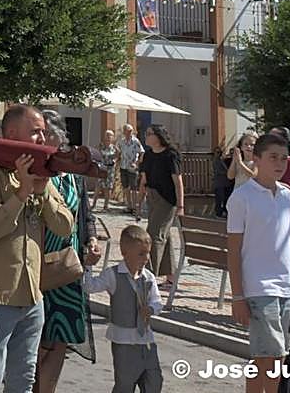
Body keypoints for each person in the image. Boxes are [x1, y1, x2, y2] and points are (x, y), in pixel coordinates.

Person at [0, 104, 74, 393]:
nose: (43, 140)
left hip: (31, 296)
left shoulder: (39, 176)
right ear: (12, 133)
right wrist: (21, 193)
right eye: (36, 132)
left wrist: (42, 189)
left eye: (44, 133)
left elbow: (65, 226)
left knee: (22, 382)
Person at [35, 111, 101, 393]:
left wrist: (93, 240)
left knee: (60, 336)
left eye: (46, 132)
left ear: (59, 137)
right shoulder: (33, 171)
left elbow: (85, 214)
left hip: (68, 268)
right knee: (36, 337)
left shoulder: (73, 176)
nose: (41, 137)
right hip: (37, 267)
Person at [226, 132, 290, 393]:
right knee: (271, 356)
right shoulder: (242, 197)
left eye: (284, 158)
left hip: (286, 287)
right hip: (259, 287)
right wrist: (237, 296)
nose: (279, 163)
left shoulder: (287, 195)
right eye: (273, 157)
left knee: (273, 355)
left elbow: (287, 240)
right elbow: (233, 250)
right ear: (256, 158)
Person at [80, 225, 164, 393]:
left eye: (148, 253)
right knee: (125, 383)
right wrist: (88, 267)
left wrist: (152, 309)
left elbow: (157, 301)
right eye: (141, 254)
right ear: (125, 253)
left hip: (146, 340)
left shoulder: (148, 277)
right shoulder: (113, 274)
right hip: (123, 340)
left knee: (154, 381)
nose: (146, 258)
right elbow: (89, 286)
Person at [137, 124, 183, 284]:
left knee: (154, 235)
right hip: (152, 198)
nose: (146, 136)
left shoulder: (170, 155)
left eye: (149, 133)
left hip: (167, 200)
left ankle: (149, 275)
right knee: (165, 236)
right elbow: (144, 180)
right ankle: (171, 275)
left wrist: (180, 205)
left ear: (158, 136)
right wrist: (139, 202)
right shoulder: (148, 155)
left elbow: (178, 182)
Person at [117, 123, 143, 216]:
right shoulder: (122, 141)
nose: (129, 132)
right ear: (124, 132)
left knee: (134, 187)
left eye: (131, 131)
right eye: (128, 131)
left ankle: (135, 207)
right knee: (125, 187)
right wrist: (118, 159)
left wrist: (136, 163)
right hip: (123, 166)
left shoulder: (136, 141)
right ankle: (129, 206)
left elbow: (142, 152)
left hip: (132, 168)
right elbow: (118, 151)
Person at [92, 128, 118, 211]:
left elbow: (117, 155)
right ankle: (93, 205)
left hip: (110, 169)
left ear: (113, 137)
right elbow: (95, 153)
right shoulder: (101, 146)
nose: (108, 137)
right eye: (107, 135)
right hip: (101, 168)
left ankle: (106, 206)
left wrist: (115, 157)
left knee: (108, 188)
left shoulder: (114, 147)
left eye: (110, 135)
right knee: (98, 187)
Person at [211, 145, 231, 219]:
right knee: (219, 199)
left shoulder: (221, 160)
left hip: (224, 183)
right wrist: (227, 172)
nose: (218, 153)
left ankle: (223, 212)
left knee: (224, 198)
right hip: (219, 183)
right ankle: (218, 213)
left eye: (220, 152)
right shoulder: (215, 161)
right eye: (217, 152)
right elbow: (218, 171)